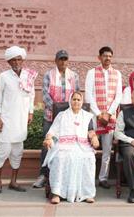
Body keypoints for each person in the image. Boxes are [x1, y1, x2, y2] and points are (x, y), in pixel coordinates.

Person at [0, 46, 38, 194]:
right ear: (9, 62)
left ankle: (13, 181)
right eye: (14, 60)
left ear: (22, 60)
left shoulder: (29, 75)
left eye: (19, 59)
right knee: (3, 151)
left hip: (21, 121)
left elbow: (31, 96)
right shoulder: (4, 76)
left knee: (17, 152)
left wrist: (30, 113)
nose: (17, 62)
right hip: (6, 120)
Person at [33, 50, 80, 189]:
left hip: (67, 118)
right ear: (56, 60)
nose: (63, 62)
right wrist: (56, 110)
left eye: (65, 59)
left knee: (65, 146)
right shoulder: (49, 75)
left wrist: (66, 113)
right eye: (60, 59)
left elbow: (76, 95)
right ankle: (43, 175)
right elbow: (46, 95)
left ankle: (62, 177)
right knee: (47, 145)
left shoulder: (74, 76)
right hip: (50, 116)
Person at [42, 91, 100, 204]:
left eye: (79, 100)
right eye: (74, 99)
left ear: (82, 102)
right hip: (64, 145)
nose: (76, 102)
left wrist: (94, 138)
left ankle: (87, 194)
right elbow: (52, 130)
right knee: (60, 158)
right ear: (70, 101)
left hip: (82, 146)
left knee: (89, 158)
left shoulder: (87, 116)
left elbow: (91, 132)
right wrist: (48, 138)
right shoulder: (62, 115)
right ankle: (57, 193)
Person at [85, 46, 122, 189]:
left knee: (107, 150)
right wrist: (99, 114)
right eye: (105, 56)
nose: (108, 59)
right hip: (95, 117)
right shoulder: (92, 73)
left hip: (110, 118)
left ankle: (103, 178)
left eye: (110, 56)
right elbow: (89, 95)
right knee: (91, 148)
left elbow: (117, 96)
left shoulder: (117, 74)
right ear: (99, 57)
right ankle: (88, 177)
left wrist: (108, 113)